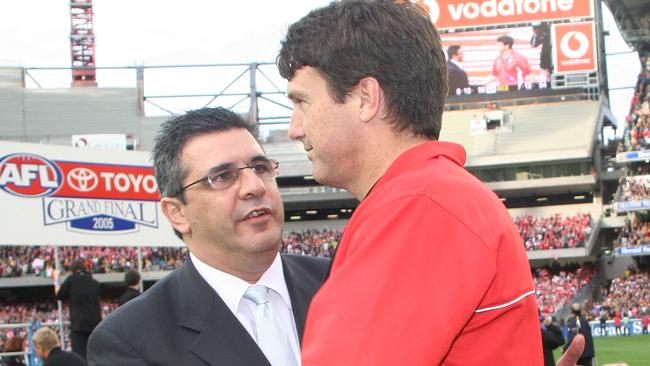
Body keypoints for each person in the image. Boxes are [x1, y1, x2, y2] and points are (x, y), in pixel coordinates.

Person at [279, 0, 545, 364]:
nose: (294, 129)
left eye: (302, 102)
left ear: (365, 98)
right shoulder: (430, 196)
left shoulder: (419, 203)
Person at [87, 107, 329, 366]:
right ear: (177, 213)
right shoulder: (129, 339)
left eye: (260, 167)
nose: (255, 186)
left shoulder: (337, 280)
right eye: (222, 177)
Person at [53, 259, 101, 360]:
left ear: (73, 270)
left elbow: (59, 295)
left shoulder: (72, 279)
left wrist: (56, 279)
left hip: (79, 325)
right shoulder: (94, 282)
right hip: (95, 324)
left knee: (79, 357)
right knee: (95, 355)